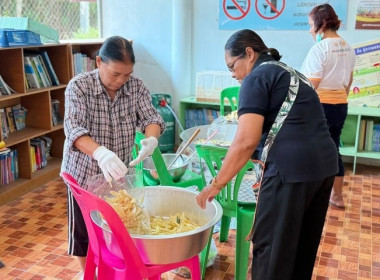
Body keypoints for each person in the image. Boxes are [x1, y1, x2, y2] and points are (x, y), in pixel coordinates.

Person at [196, 29, 339, 280]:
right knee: (301, 248)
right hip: (325, 167)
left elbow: (245, 142)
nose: (233, 75)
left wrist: (216, 185)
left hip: (290, 171)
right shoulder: (293, 73)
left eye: (232, 66)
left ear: (249, 54)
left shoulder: (256, 78)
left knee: (272, 249)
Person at [61, 35, 165, 276]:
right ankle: (89, 274)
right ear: (99, 62)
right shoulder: (79, 87)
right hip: (83, 173)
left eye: (126, 75)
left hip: (117, 174)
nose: (121, 80)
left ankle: (115, 268)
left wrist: (151, 139)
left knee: (117, 226)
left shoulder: (135, 86)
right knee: (83, 231)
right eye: (115, 74)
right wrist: (99, 153)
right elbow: (74, 130)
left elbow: (152, 118)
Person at [301, 4, 356, 209]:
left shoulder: (320, 48)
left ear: (321, 24)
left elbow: (311, 85)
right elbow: (349, 81)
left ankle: (311, 195)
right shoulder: (348, 47)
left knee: (311, 149)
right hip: (340, 105)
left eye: (310, 25)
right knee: (333, 148)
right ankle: (337, 196)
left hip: (320, 106)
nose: (309, 30)